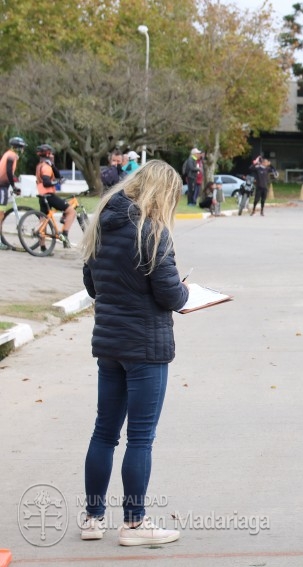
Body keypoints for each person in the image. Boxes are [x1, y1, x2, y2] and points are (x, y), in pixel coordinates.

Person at [78, 159, 189, 546]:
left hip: (109, 345)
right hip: (146, 347)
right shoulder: (153, 232)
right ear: (161, 194)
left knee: (104, 432)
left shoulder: (101, 226)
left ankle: (93, 519)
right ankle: (134, 525)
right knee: (140, 438)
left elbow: (93, 286)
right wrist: (188, 291)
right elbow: (172, 295)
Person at [35, 144, 76, 248]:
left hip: (42, 197)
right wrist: (56, 183)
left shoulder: (40, 165)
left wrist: (52, 164)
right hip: (50, 197)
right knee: (71, 211)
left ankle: (43, 247)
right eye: (51, 153)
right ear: (48, 154)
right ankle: (65, 235)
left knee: (43, 220)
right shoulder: (46, 167)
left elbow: (58, 175)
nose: (53, 155)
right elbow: (46, 182)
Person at [0, 136, 26, 251]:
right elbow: (9, 172)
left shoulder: (8, 154)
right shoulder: (11, 156)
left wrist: (14, 181)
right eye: (22, 147)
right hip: (1, 187)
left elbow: (8, 172)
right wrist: (14, 186)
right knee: (0, 214)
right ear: (18, 148)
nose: (22, 150)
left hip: (4, 186)